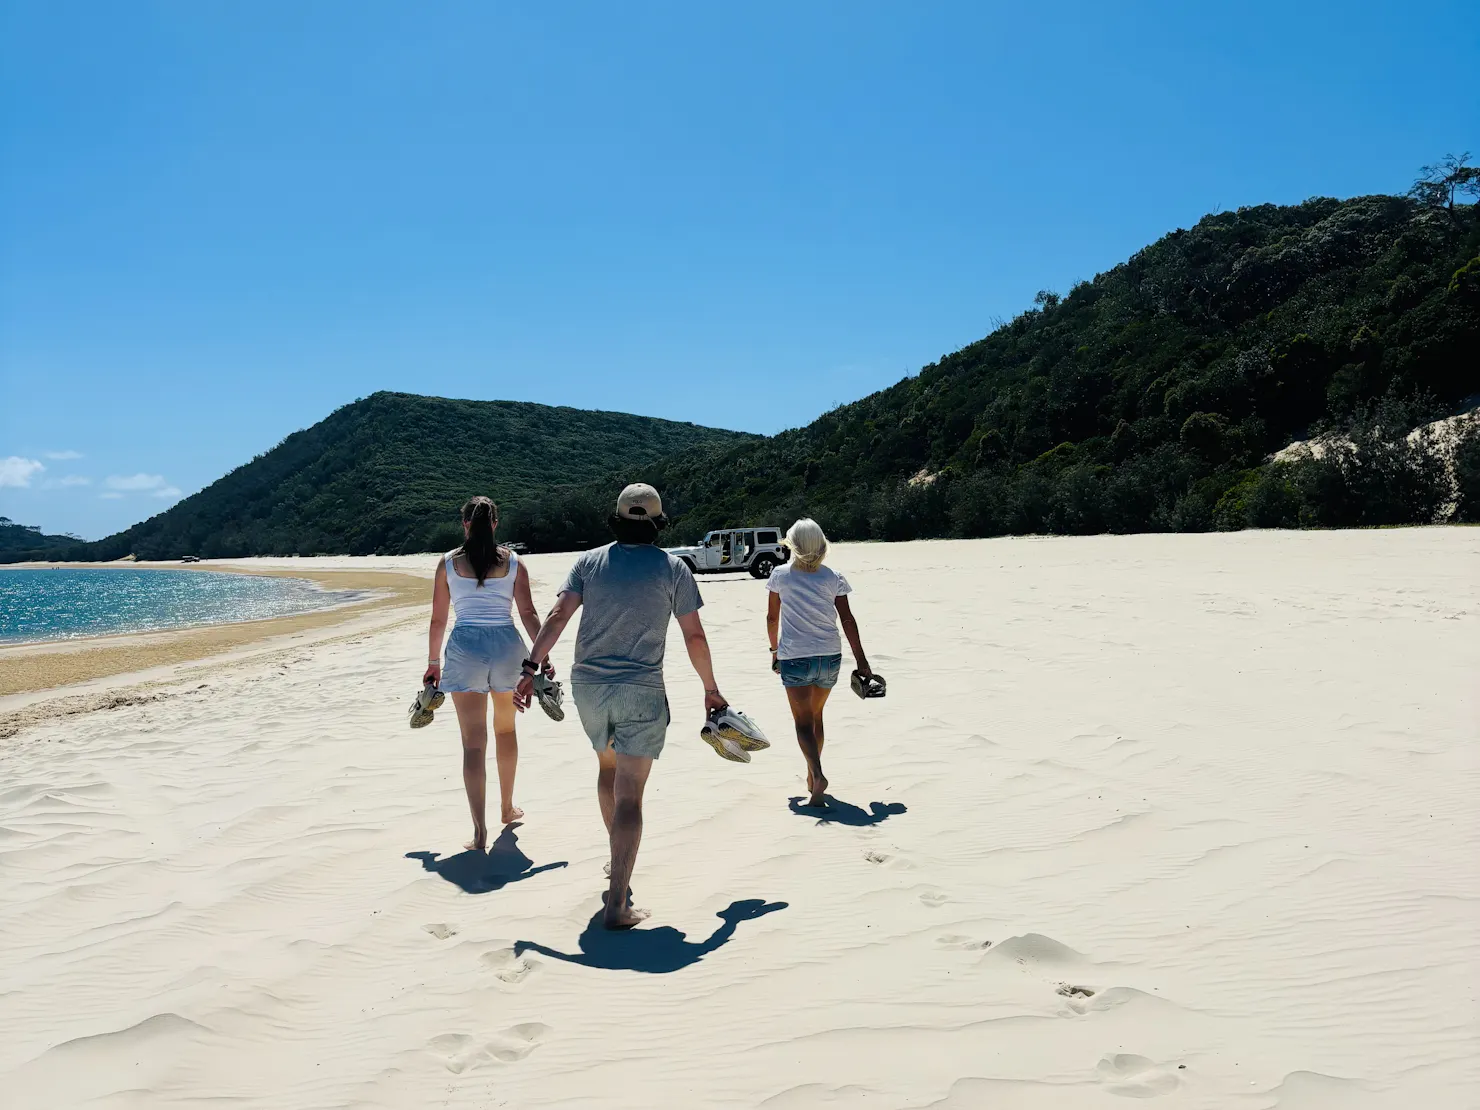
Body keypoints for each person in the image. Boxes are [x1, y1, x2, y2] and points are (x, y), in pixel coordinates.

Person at [516, 483, 729, 930]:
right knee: (631, 792)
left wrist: (530, 667)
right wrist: (710, 688)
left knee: (607, 770)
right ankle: (617, 904)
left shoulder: (588, 563)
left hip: (589, 688)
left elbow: (557, 617)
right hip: (641, 690)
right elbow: (694, 636)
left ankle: (617, 866)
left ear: (617, 519)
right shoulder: (673, 568)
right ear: (657, 522)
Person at [424, 496, 551, 851]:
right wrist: (544, 655)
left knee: (473, 743)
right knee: (506, 730)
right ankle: (507, 808)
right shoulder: (513, 563)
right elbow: (528, 613)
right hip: (508, 647)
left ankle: (479, 832)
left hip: (465, 649)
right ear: (495, 524)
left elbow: (438, 619)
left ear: (464, 524)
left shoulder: (447, 564)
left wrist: (434, 663)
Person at [766, 518, 873, 807]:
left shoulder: (780, 575)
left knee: (802, 722)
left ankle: (817, 774)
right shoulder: (833, 577)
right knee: (817, 716)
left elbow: (772, 618)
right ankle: (812, 777)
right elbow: (847, 620)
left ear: (793, 545)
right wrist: (862, 661)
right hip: (830, 657)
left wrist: (774, 651)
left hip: (795, 657)